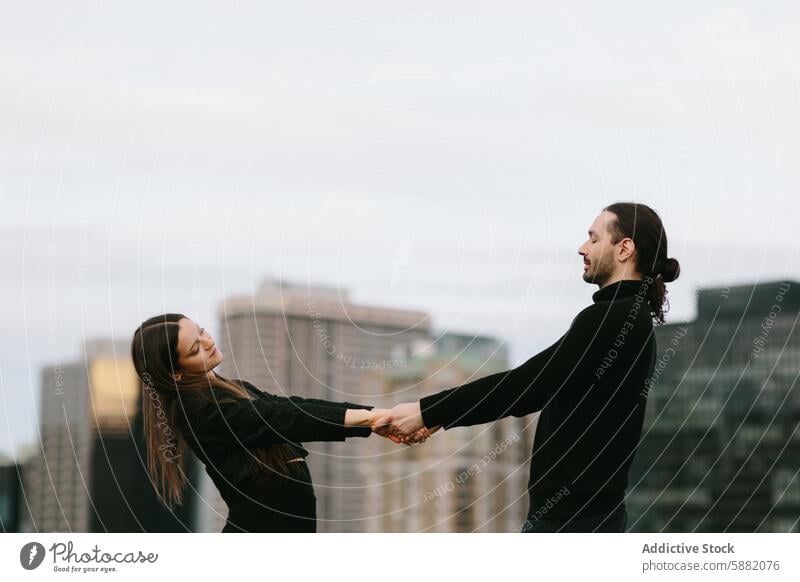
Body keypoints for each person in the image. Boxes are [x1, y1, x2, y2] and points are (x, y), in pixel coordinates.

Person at [375, 202, 681, 532]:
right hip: (587, 519)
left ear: (624, 249)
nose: (582, 248)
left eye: (593, 239)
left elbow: (526, 385)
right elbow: (542, 384)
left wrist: (427, 411)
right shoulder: (629, 318)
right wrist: (436, 417)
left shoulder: (613, 318)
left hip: (572, 525)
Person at [131, 313, 410, 533]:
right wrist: (373, 418)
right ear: (175, 373)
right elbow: (283, 419)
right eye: (194, 349)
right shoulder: (197, 411)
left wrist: (374, 415)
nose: (207, 341)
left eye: (201, 331)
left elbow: (290, 406)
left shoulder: (235, 388)